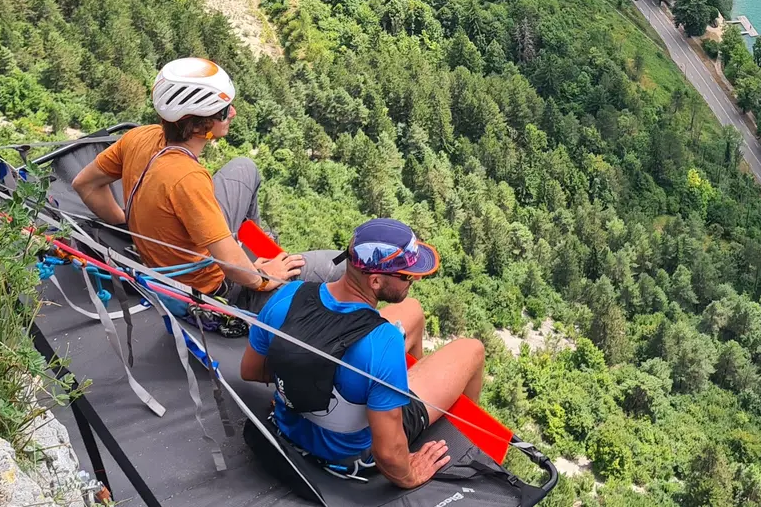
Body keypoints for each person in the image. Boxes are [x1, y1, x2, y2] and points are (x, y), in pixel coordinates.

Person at [71, 57, 342, 334]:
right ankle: (260, 268)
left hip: (167, 253)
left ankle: (256, 248)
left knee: (244, 167)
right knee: (340, 264)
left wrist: (128, 227)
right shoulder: (188, 178)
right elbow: (230, 266)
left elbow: (86, 184)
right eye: (223, 111)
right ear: (199, 125)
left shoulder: (140, 137)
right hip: (213, 287)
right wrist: (262, 277)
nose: (233, 113)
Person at [240, 219, 487, 489]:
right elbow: (389, 455)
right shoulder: (382, 342)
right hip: (348, 456)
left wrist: (297, 381)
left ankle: (385, 390)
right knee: (472, 350)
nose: (413, 280)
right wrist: (409, 476)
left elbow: (251, 370)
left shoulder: (288, 295)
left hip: (289, 424)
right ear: (376, 280)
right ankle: (455, 434)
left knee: (413, 310)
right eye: (406, 276)